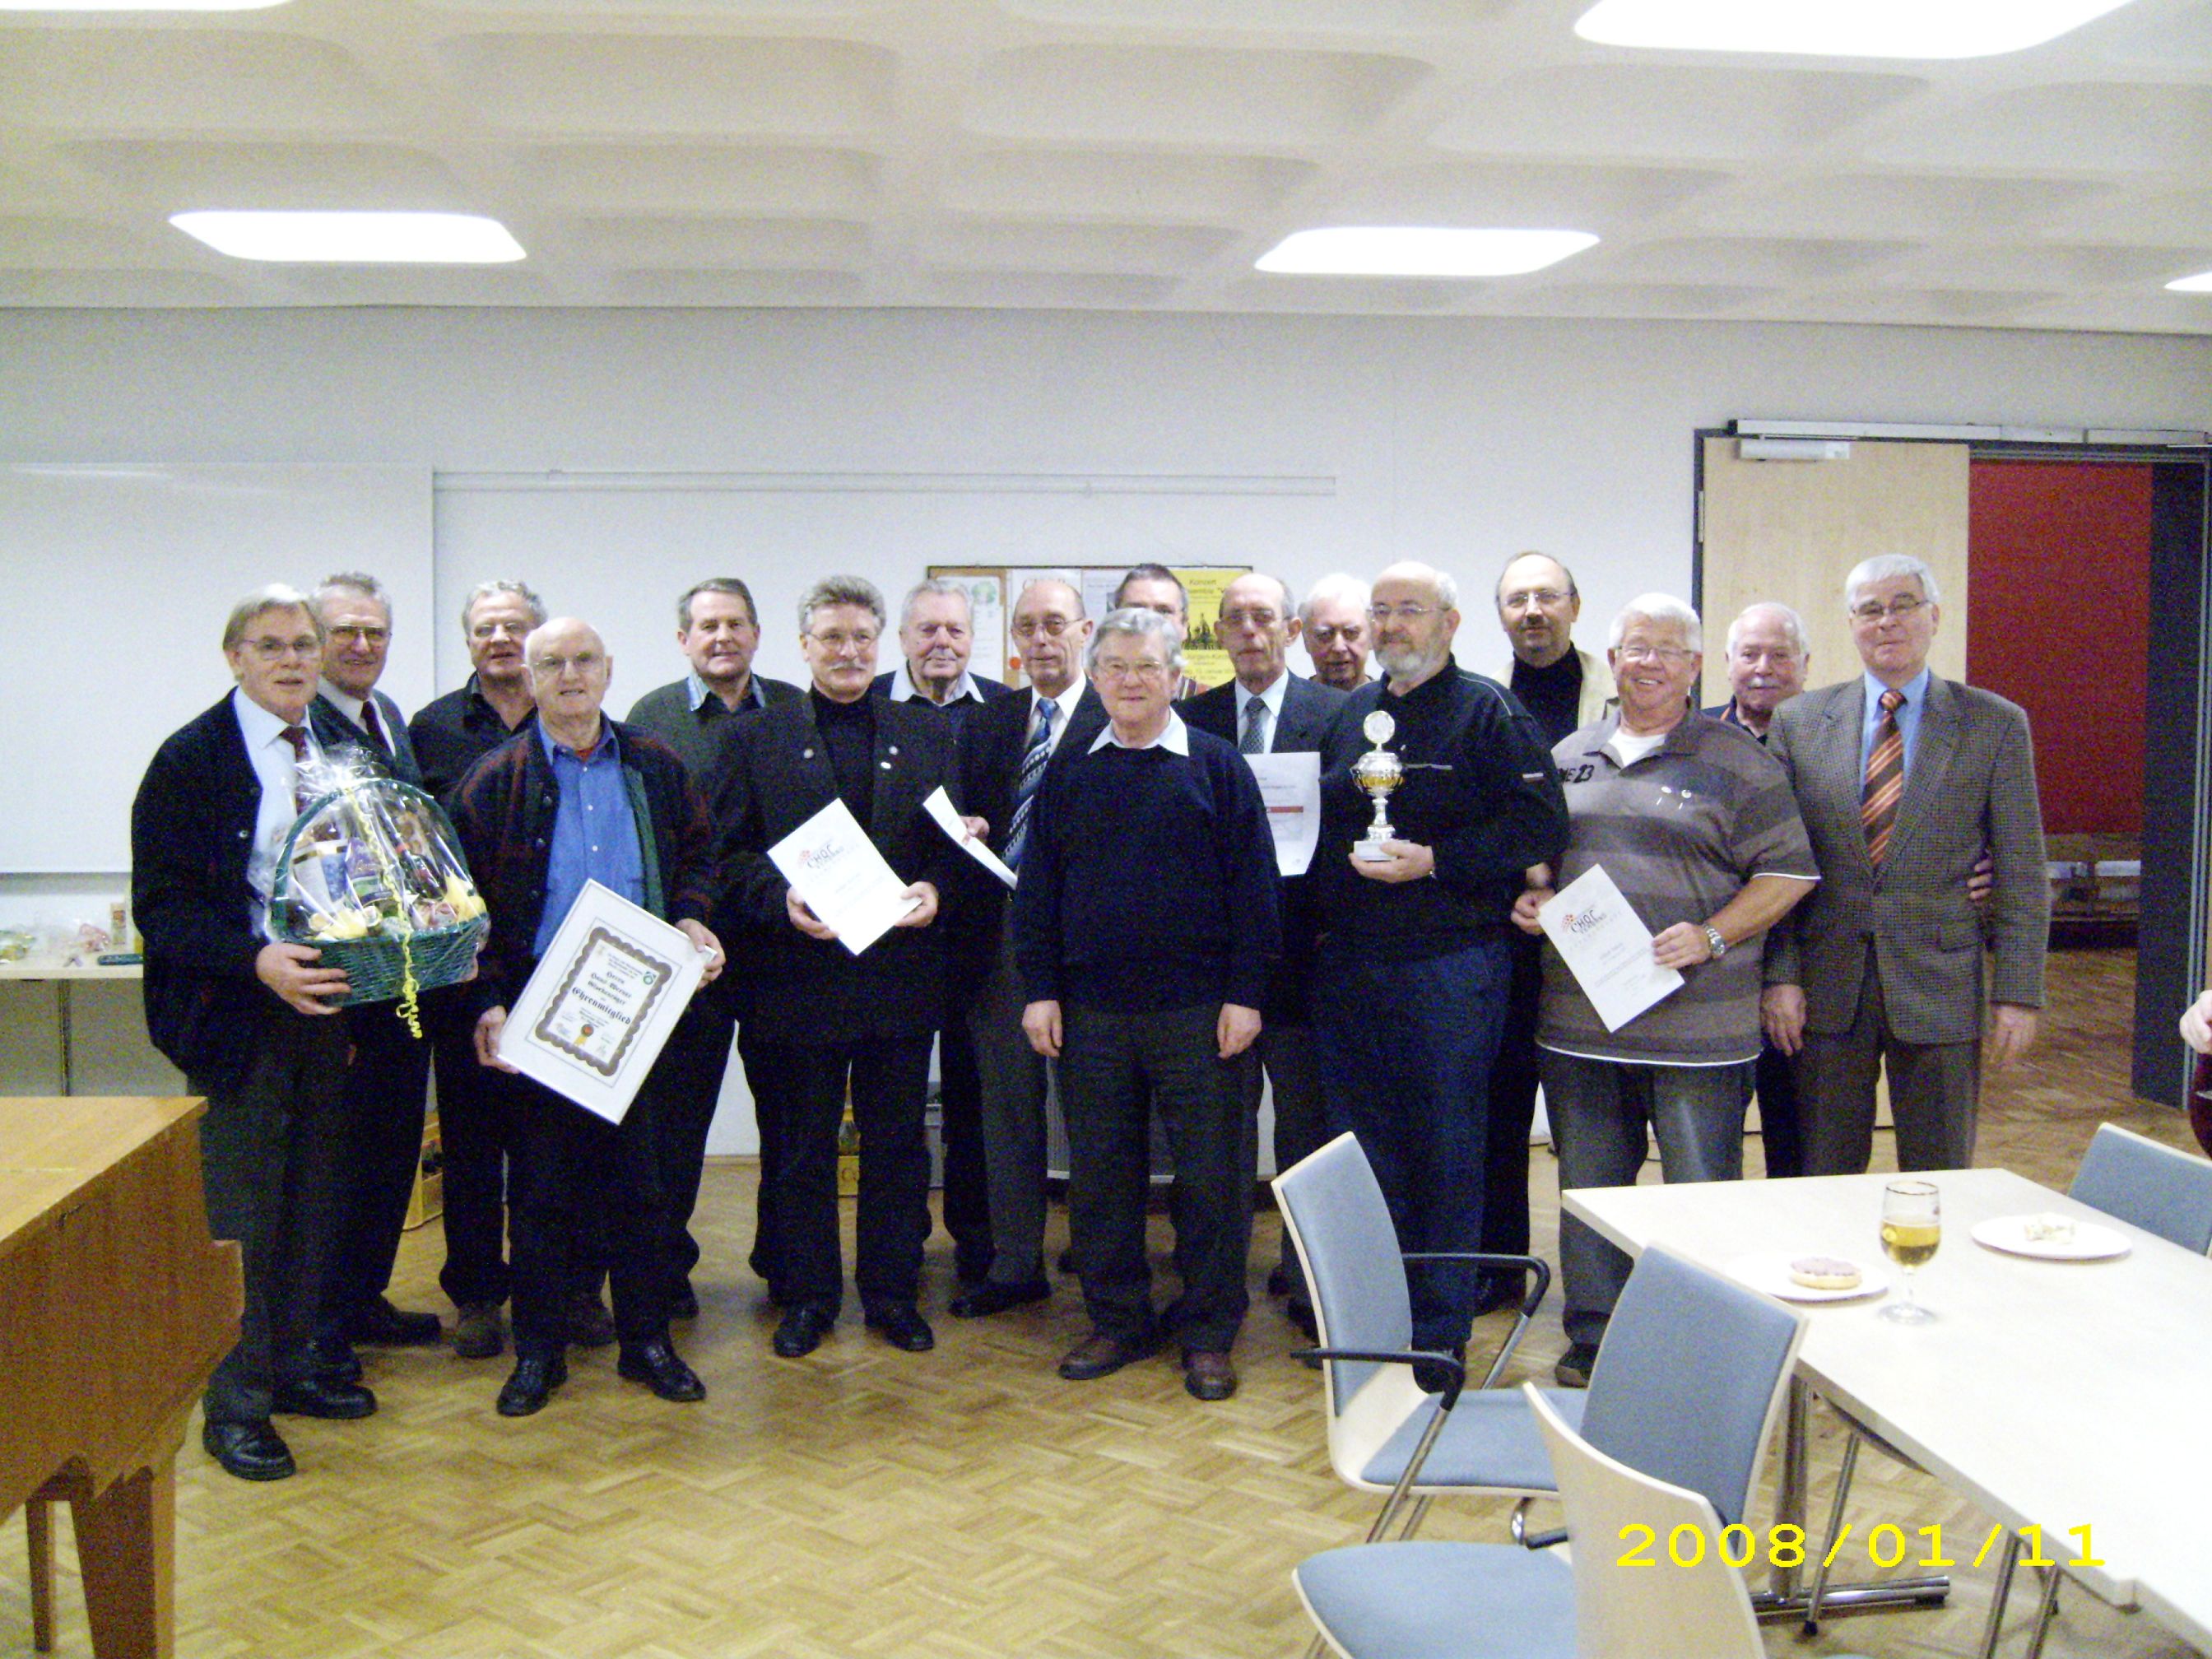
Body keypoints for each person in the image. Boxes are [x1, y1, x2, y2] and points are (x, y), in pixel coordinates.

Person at [1516, 595, 1817, 1386]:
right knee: (1590, 1191)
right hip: (1580, 1026)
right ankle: (1595, 1336)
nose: (1647, 662)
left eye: (1666, 649)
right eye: (1634, 647)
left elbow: (1789, 875)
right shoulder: (1569, 754)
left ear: (1694, 667)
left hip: (1699, 1034)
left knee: (1700, 1196)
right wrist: (1535, 897)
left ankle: (1697, 1345)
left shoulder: (1742, 763)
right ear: (1612, 659)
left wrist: (1713, 934)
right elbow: (1541, 860)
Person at [448, 617, 721, 1416]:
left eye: (583, 661)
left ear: (608, 670)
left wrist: (692, 915)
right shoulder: (494, 779)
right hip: (541, 1008)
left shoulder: (655, 763)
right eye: (552, 664)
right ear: (530, 678)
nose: (569, 676)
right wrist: (487, 1000)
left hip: (641, 1002)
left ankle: (647, 1345)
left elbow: (699, 855)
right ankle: (539, 1354)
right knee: (540, 1193)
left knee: (644, 1188)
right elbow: (462, 908)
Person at [133, 584, 374, 1481]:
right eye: (270, 645)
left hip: (327, 1013)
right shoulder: (190, 759)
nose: (292, 660)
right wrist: (256, 961)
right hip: (237, 1019)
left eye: (304, 644)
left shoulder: (344, 747)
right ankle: (234, 1408)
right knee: (242, 1220)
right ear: (234, 657)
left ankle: (296, 1368)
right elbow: (163, 909)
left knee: (315, 1204)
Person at [1017, 607, 1279, 1401]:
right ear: (1096, 677)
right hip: (1091, 1016)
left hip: (1201, 1016)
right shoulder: (1070, 770)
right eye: (1116, 667)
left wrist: (1246, 996)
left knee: (1212, 1181)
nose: (1131, 681)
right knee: (1101, 1178)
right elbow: (1038, 892)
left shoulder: (1217, 766)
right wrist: (1040, 991)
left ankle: (1208, 1332)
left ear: (1176, 677)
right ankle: (1118, 1320)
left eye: (1148, 667)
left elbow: (1256, 892)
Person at [1312, 560, 1568, 1371]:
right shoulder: (1353, 716)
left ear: (1451, 623)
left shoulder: (1491, 713)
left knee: (1446, 1148)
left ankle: (1438, 1332)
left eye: (1410, 610)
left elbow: (1539, 826)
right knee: (1363, 1150)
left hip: (1451, 969)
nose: (1392, 625)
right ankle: (1375, 1320)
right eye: (1381, 610)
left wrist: (1437, 862)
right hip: (1352, 969)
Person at [713, 576, 954, 1359]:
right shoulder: (755, 738)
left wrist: (934, 889)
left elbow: (951, 846)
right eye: (831, 638)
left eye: (861, 637)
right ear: (804, 646)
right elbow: (727, 855)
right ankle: (809, 1296)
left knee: (897, 1147)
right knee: (801, 1149)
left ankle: (891, 1294)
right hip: (796, 980)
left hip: (896, 979)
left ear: (880, 644)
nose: (848, 652)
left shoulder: (925, 733)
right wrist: (778, 899)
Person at [1765, 555, 2048, 1174]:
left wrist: (2019, 993)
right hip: (1826, 987)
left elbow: (2023, 870)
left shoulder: (1994, 723)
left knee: (1940, 1169)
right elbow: (1778, 868)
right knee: (1824, 1171)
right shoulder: (1800, 722)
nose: (1886, 621)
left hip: (1941, 982)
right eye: (1870, 609)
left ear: (1934, 616)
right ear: (1851, 623)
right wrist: (1780, 975)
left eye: (1903, 605)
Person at [407, 579, 576, 1362]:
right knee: (473, 1144)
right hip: (466, 970)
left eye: (515, 626)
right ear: (468, 640)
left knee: (564, 1145)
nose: (501, 638)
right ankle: (477, 1296)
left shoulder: (572, 714)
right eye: (486, 628)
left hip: (563, 966)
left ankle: (568, 1290)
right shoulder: (432, 728)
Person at [625, 578, 802, 1317]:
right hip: (686, 952)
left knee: (790, 1120)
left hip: (782, 950)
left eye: (735, 623)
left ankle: (787, 1263)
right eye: (707, 626)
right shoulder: (651, 717)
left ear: (757, 634)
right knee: (676, 1121)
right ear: (683, 640)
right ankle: (665, 1267)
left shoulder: (793, 708)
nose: (722, 637)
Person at [1180, 572, 1346, 1338]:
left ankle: (1312, 1286)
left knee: (1309, 1133)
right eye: (1235, 619)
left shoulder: (1338, 716)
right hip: (1218, 967)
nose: (1249, 631)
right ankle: (1216, 1293)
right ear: (1218, 633)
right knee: (1220, 1137)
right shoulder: (1191, 720)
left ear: (1290, 629)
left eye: (1263, 617)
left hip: (1310, 960)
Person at [950, 578, 1106, 1318]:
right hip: (1003, 943)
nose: (1041, 640)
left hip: (1093, 948)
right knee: (1007, 1110)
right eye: (1026, 627)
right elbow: (962, 815)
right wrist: (970, 828)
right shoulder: (990, 722)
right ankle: (1016, 1263)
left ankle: (1105, 1263)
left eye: (1054, 624)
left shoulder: (1118, 714)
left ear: (1085, 631)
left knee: (1098, 1112)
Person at [304, 572, 443, 1382]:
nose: (362, 646)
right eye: (345, 631)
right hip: (344, 985)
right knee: (339, 1161)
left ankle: (363, 1297)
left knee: (391, 1146)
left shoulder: (387, 714)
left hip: (403, 979)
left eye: (376, 633)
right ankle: (320, 1323)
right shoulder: (302, 724)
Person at [1480, 551, 1617, 1295]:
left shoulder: (1623, 692)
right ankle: (1500, 1270)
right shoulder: (1479, 701)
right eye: (1516, 599)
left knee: (1595, 1127)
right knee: (1499, 1112)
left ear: (1575, 605)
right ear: (1500, 615)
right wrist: (1524, 882)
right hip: (1509, 937)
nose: (1532, 611)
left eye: (1546, 596)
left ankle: (1602, 1288)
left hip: (1601, 936)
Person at [871, 577, 1011, 1285]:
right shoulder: (867, 705)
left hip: (976, 938)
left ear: (972, 638)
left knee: (973, 1100)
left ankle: (976, 1244)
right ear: (902, 638)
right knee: (894, 1107)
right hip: (888, 941)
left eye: (955, 630)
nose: (942, 643)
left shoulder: (1005, 710)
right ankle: (901, 1245)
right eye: (927, 630)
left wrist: (985, 826)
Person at [1703, 601, 1814, 1179]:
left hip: (1808, 974)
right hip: (1708, 976)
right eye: (1750, 654)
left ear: (1806, 664)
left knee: (1795, 1139)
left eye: (1780, 655)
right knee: (1709, 1142)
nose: (1764, 667)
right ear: (1727, 662)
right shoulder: (1691, 737)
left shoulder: (1832, 743)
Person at [1112, 564, 1207, 699]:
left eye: (1164, 611)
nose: (1150, 621)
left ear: (1184, 626)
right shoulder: (1091, 700)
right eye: (1137, 610)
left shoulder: (1211, 705)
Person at [1299, 573, 1373, 693]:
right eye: (1325, 635)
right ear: (1306, 641)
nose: (1339, 648)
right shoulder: (1288, 704)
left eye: (1351, 633)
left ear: (1372, 637)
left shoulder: (1392, 702)